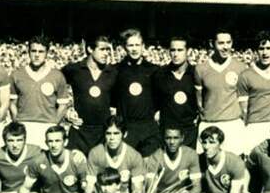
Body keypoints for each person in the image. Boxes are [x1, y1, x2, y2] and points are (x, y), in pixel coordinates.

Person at [194, 29, 249, 155]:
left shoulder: (240, 67)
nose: (225, 47)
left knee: (234, 167)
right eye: (221, 43)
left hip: (233, 124)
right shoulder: (201, 69)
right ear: (212, 44)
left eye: (228, 42)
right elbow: (199, 100)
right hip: (210, 123)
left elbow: (244, 100)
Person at [10, 36, 71, 147]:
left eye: (41, 51)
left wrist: (53, 123)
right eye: (33, 51)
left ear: (47, 53)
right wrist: (18, 122)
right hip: (24, 125)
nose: (37, 55)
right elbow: (12, 103)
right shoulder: (17, 74)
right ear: (28, 52)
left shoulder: (57, 76)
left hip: (47, 126)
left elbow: (63, 105)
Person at [61, 34, 118, 154]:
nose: (106, 53)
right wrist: (66, 112)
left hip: (104, 132)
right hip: (79, 131)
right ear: (90, 49)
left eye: (108, 49)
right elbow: (54, 86)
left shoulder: (113, 72)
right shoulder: (74, 70)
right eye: (102, 49)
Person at [237, 32, 270, 153]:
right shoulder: (246, 75)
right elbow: (243, 110)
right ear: (256, 51)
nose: (265, 53)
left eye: (269, 48)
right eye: (261, 49)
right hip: (256, 126)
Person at [113, 28, 162, 157]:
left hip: (148, 127)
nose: (134, 49)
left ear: (143, 46)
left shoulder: (154, 70)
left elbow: (161, 97)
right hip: (126, 127)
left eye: (137, 45)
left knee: (148, 169)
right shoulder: (116, 70)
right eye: (130, 45)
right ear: (124, 47)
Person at [152, 36, 200, 147]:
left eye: (180, 50)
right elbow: (155, 103)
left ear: (188, 51)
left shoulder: (196, 73)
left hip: (190, 132)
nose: (175, 54)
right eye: (173, 50)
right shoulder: (160, 74)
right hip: (168, 133)